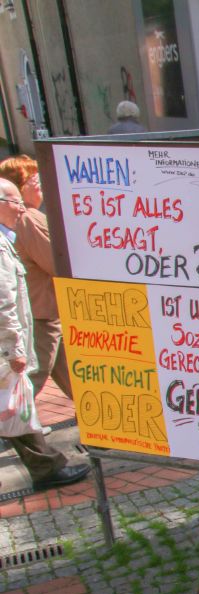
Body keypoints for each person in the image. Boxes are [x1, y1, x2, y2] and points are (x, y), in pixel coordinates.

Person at [0, 179, 90, 490]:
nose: (21, 207)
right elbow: (5, 300)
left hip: (40, 315)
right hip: (35, 320)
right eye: (14, 201)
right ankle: (46, 466)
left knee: (73, 374)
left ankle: (105, 422)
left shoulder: (11, 232)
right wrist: (14, 348)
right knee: (19, 393)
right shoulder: (11, 236)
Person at [0, 157, 71, 401]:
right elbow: (56, 262)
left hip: (45, 309)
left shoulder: (24, 218)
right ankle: (16, 425)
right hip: (44, 312)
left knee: (73, 377)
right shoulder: (28, 218)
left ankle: (103, 422)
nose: (40, 183)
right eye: (33, 179)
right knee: (32, 377)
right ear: (19, 187)